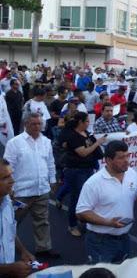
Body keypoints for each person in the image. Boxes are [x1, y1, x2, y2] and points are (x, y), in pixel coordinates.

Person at [4, 113, 60, 259]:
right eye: (33, 124)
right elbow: (8, 167)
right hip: (21, 192)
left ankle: (44, 248)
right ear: (25, 125)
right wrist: (10, 189)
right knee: (11, 221)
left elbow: (50, 163)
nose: (37, 127)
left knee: (42, 221)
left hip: (41, 190)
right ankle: (7, 247)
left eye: (39, 124)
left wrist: (53, 180)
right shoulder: (14, 143)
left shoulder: (46, 141)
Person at [76, 141, 137, 264]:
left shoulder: (131, 173)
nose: (126, 160)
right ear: (108, 160)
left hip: (124, 238)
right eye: (121, 157)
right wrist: (108, 222)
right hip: (100, 242)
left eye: (128, 155)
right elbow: (81, 212)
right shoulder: (94, 183)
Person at [63, 112, 107, 237]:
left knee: (89, 197)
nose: (89, 123)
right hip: (76, 171)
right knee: (77, 198)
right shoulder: (73, 136)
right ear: (80, 122)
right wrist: (97, 143)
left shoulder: (87, 134)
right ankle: (72, 225)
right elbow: (83, 152)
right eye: (87, 121)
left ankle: (85, 219)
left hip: (88, 169)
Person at [0, 158, 35, 277]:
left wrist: (23, 251)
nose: (12, 181)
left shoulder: (7, 202)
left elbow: (10, 231)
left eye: (11, 175)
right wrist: (8, 269)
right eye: (5, 178)